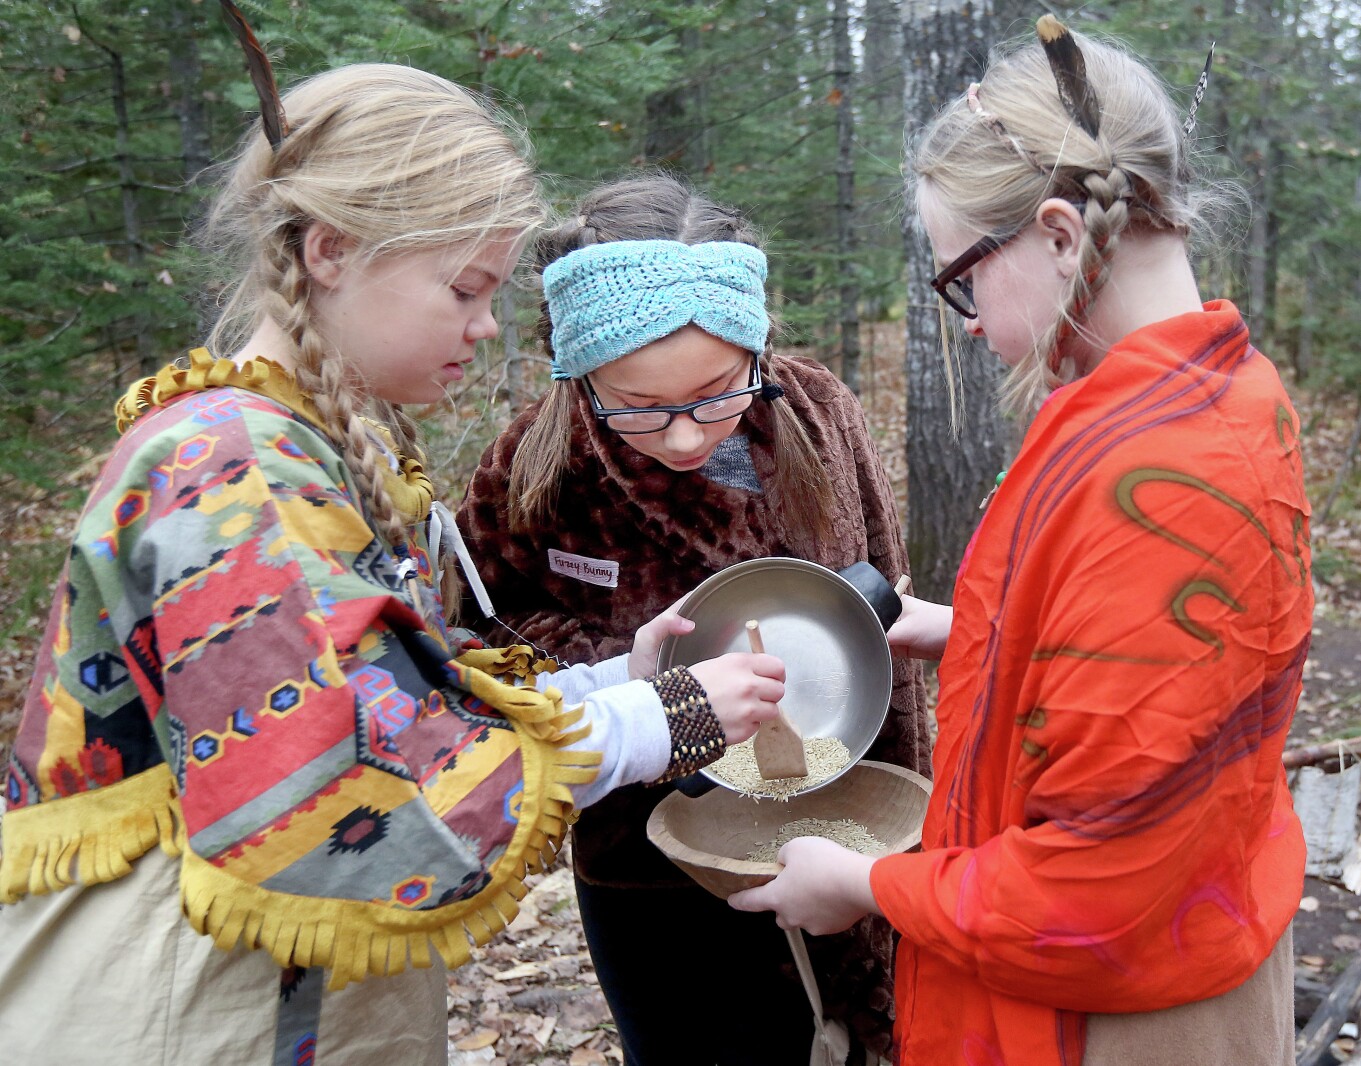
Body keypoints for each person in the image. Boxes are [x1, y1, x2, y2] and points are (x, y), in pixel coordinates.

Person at [0, 64, 790, 1065]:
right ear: (330, 250)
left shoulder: (314, 446)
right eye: (464, 289)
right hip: (195, 1008)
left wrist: (605, 688)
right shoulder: (238, 469)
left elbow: (392, 697)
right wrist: (658, 720)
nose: (487, 325)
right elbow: (343, 789)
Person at [729, 15, 1313, 1066]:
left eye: (960, 277)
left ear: (1056, 234)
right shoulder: (1214, 389)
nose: (963, 318)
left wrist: (860, 884)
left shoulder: (1158, 478)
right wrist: (968, 633)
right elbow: (1158, 693)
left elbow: (1097, 886)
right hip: (1176, 938)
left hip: (1118, 1021)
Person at [456, 173, 932, 1064]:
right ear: (578, 374)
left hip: (834, 822)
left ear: (756, 349)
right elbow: (484, 635)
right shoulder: (535, 463)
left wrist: (898, 797)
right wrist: (622, 670)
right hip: (651, 859)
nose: (683, 436)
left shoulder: (818, 415)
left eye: (717, 391)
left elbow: (880, 593)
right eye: (638, 406)